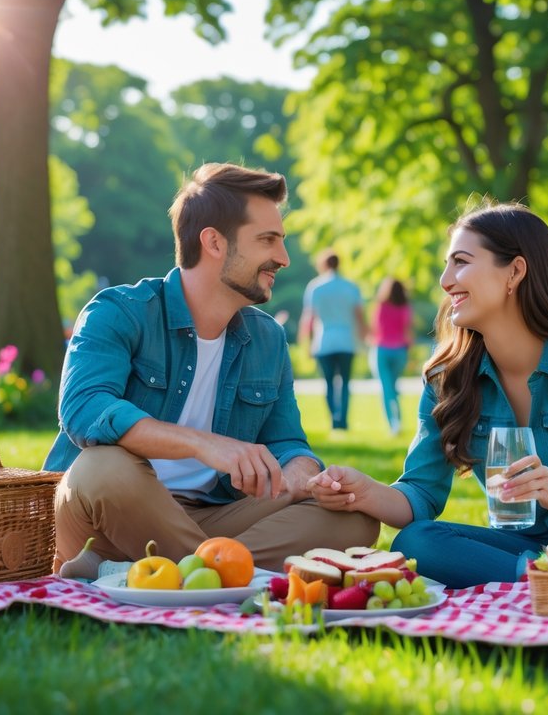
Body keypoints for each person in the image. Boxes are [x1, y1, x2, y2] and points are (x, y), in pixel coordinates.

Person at [305, 203, 548, 588]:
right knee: (415, 542)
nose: (445, 281)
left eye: (460, 262)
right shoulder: (448, 376)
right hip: (529, 549)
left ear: (514, 272)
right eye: (448, 264)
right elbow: (422, 494)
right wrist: (365, 491)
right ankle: (546, 579)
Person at [43, 163, 379, 574]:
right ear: (214, 242)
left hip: (210, 516)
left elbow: (288, 440)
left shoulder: (267, 339)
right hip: (107, 513)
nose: (284, 258)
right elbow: (85, 410)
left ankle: (154, 574)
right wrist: (203, 444)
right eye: (268, 240)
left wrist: (300, 477)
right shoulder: (118, 312)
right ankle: (218, 574)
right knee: (103, 466)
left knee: (354, 516)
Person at [299, 250, 366, 432]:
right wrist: (363, 338)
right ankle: (343, 420)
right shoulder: (351, 287)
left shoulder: (315, 287)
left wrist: (306, 342)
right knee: (345, 383)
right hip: (346, 340)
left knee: (328, 383)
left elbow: (309, 318)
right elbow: (359, 316)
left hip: (324, 340)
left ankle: (334, 420)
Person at [368, 277, 413, 435]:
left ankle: (393, 424)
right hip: (400, 350)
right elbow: (408, 329)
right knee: (393, 387)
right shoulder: (405, 307)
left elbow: (376, 328)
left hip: (382, 350)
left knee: (386, 388)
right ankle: (397, 420)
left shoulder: (381, 306)